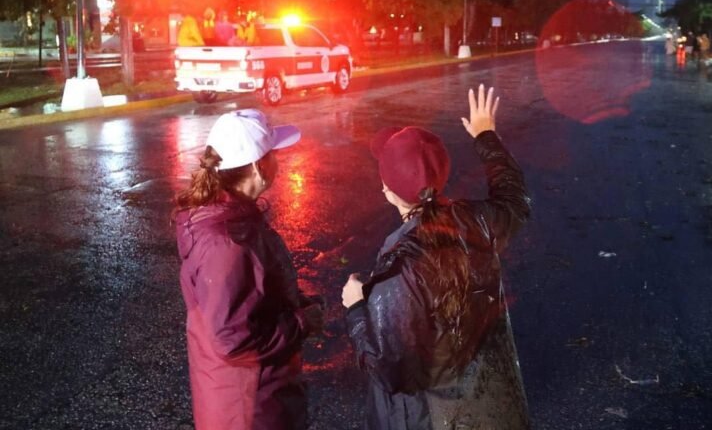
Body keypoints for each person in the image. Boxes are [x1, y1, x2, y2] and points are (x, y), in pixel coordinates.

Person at [341, 85, 532, 430]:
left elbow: (390, 371)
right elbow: (514, 199)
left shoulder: (400, 269)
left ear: (387, 191)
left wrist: (355, 309)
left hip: (428, 417)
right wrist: (486, 135)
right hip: (479, 403)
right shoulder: (477, 221)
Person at [174, 109, 324, 430]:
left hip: (246, 394)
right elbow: (232, 340)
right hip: (250, 406)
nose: (279, 161)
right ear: (259, 167)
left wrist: (292, 300)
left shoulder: (233, 216)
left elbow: (247, 294)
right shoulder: (226, 243)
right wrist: (300, 322)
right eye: (274, 153)